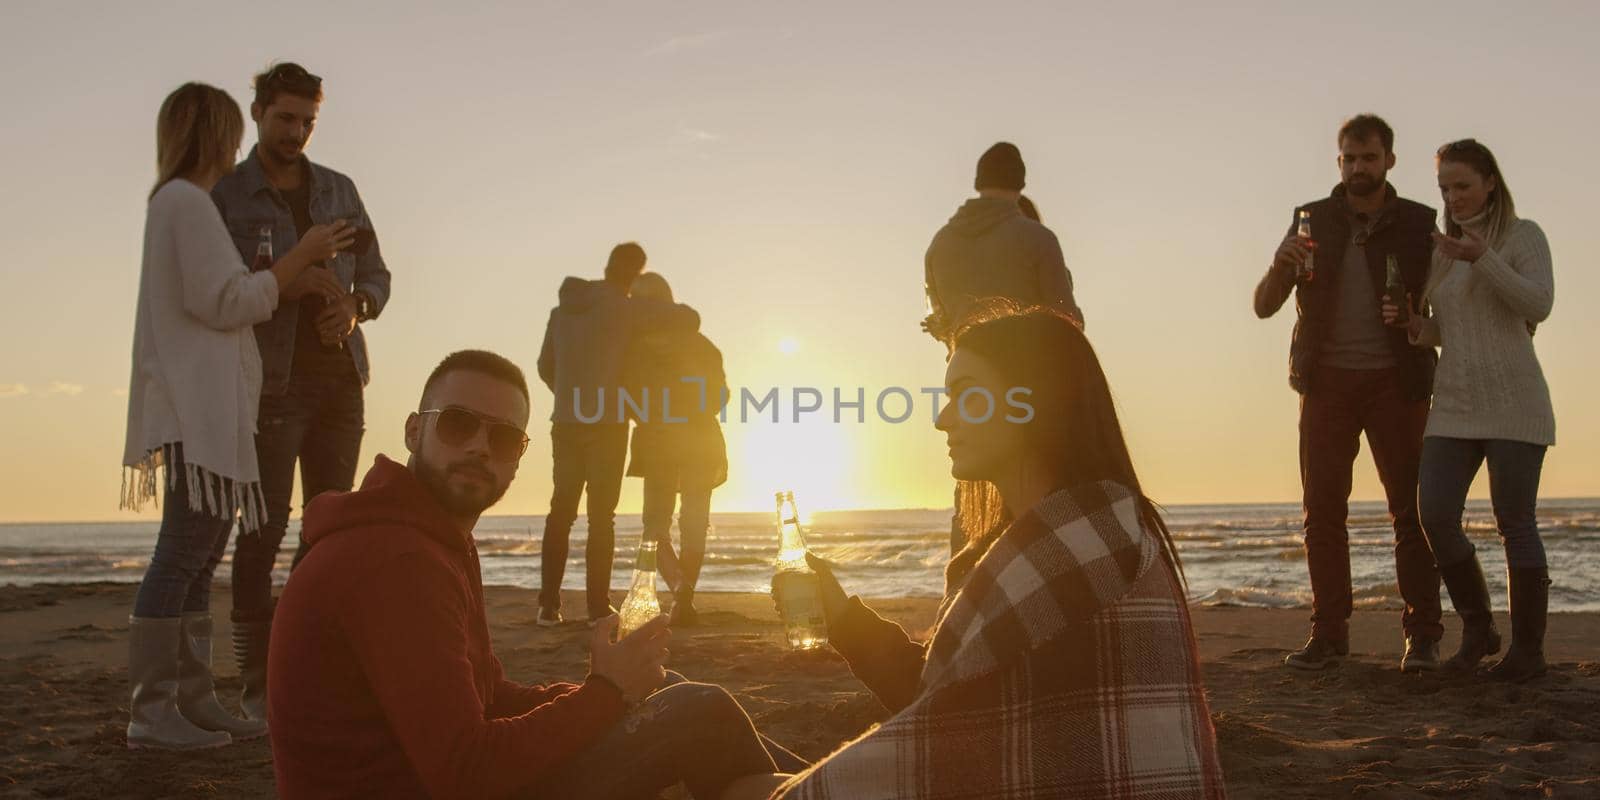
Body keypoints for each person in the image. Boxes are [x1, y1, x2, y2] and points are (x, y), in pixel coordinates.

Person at [269, 350, 795, 800]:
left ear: (519, 458)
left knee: (666, 690)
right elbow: (466, 771)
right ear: (414, 429)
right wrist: (607, 694)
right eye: (458, 423)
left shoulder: (431, 538)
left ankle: (818, 784)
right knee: (694, 708)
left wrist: (612, 686)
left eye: (503, 439)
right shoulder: (396, 559)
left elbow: (489, 696)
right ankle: (836, 783)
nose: (479, 446)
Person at [773, 302, 1226, 799]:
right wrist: (841, 617)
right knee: (709, 716)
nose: (942, 419)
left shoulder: (1070, 547)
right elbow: (951, 698)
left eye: (966, 396)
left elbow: (938, 709)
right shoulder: (1081, 528)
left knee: (708, 731)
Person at [120, 82, 349, 749]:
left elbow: (218, 297)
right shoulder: (185, 203)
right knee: (184, 554)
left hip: (207, 408)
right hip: (198, 409)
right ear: (219, 134)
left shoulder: (176, 204)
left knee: (199, 555)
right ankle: (153, 710)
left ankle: (192, 700)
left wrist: (279, 276)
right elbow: (225, 302)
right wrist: (298, 261)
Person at [211, 61, 393, 722]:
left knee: (327, 533)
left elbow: (376, 272)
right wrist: (293, 283)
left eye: (309, 121)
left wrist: (355, 307)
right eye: (286, 118)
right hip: (268, 385)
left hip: (341, 383)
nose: (297, 132)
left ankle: (309, 672)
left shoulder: (340, 190)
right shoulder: (228, 195)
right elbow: (223, 293)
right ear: (258, 112)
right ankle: (256, 685)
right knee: (261, 532)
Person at [1253, 114, 1444, 672]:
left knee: (1412, 513)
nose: (1358, 167)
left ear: (1389, 160)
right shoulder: (1311, 220)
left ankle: (1424, 637)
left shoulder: (1418, 223)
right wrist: (1279, 265)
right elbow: (1264, 305)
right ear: (1338, 162)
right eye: (1348, 158)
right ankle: (1329, 634)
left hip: (1398, 382)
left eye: (1368, 158)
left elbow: (1448, 302)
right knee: (1322, 514)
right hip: (1326, 383)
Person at [1383, 139, 1556, 682]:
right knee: (1434, 513)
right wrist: (1417, 329)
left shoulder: (1522, 236)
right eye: (1444, 188)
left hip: (1514, 403)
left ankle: (1527, 653)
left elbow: (1538, 305)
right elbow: (1450, 330)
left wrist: (1483, 257)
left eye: (1461, 185)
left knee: (1514, 522)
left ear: (1489, 183)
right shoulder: (1444, 247)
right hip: (1454, 404)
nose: (1452, 197)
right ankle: (1479, 628)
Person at [535, 243, 700, 626]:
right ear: (633, 274)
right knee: (600, 518)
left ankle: (548, 607)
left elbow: (545, 365)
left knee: (560, 512)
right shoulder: (625, 309)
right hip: (607, 423)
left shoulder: (561, 312)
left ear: (607, 264)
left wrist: (568, 395)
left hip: (565, 421)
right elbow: (688, 319)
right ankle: (596, 608)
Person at [620, 273, 729, 626]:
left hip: (658, 442)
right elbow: (721, 395)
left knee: (655, 524)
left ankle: (681, 591)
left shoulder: (633, 347)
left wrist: (650, 416)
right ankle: (684, 600)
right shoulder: (701, 343)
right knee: (694, 521)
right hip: (700, 440)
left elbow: (626, 395)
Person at [922, 142, 1083, 344]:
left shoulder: (939, 244)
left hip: (965, 371)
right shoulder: (1039, 238)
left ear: (979, 182)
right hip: (1028, 369)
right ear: (1020, 182)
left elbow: (940, 323)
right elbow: (1069, 324)